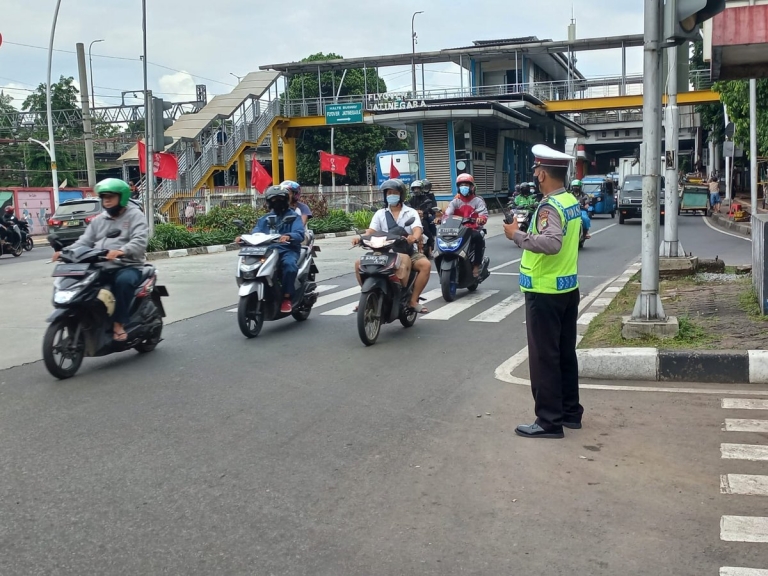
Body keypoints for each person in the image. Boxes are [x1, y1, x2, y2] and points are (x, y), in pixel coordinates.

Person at [502, 144, 583, 439]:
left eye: (536, 170)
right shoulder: (569, 200)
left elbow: (552, 243)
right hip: (566, 288)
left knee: (544, 357)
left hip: (545, 291)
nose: (535, 174)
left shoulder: (550, 206)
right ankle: (571, 412)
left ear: (543, 173)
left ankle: (549, 421)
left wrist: (517, 235)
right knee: (563, 354)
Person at [53, 178, 148, 342]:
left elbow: (140, 240)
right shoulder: (99, 220)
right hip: (101, 265)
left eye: (111, 196)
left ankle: (119, 324)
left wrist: (121, 251)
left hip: (128, 265)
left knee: (123, 282)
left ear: (122, 197)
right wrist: (65, 252)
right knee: (82, 284)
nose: (107, 201)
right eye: (104, 197)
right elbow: (84, 241)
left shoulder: (135, 216)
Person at [352, 179, 431, 313]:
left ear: (401, 195)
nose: (391, 195)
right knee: (359, 264)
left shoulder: (410, 212)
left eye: (394, 192)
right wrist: (360, 238)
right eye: (389, 192)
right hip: (383, 252)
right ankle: (367, 298)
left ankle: (412, 300)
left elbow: (417, 228)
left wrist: (414, 237)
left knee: (426, 265)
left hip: (406, 250)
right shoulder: (380, 213)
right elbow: (371, 231)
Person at [249, 186, 305, 314]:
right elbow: (256, 232)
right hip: (268, 251)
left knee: (289, 266)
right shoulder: (265, 219)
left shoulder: (293, 217)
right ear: (269, 202)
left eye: (280, 198)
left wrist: (289, 236)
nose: (277, 201)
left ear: (286, 200)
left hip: (287, 250)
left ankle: (287, 297)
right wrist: (244, 238)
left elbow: (299, 233)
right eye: (273, 199)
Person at [442, 173, 489, 277]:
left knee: (478, 238)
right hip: (458, 229)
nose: (464, 187)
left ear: (472, 187)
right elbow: (447, 213)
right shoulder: (455, 201)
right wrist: (441, 218)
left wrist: (481, 219)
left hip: (472, 229)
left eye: (466, 185)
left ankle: (476, 265)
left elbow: (483, 214)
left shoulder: (478, 201)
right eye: (461, 185)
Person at [406, 180, 437, 256]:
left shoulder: (426, 197)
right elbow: (408, 206)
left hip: (424, 217)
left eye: (418, 188)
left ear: (421, 189)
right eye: (414, 188)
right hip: (414, 218)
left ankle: (430, 247)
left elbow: (430, 206)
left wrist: (423, 211)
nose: (416, 190)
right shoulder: (412, 199)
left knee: (426, 228)